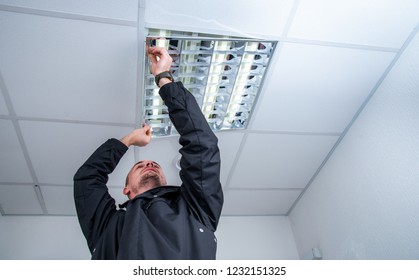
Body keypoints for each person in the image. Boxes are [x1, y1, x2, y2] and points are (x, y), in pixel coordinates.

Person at [73, 47, 223, 260]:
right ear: (126, 189)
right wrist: (128, 141)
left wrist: (164, 78)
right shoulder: (108, 226)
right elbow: (86, 180)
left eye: (154, 165)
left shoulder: (195, 208)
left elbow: (202, 145)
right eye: (139, 165)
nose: (149, 164)